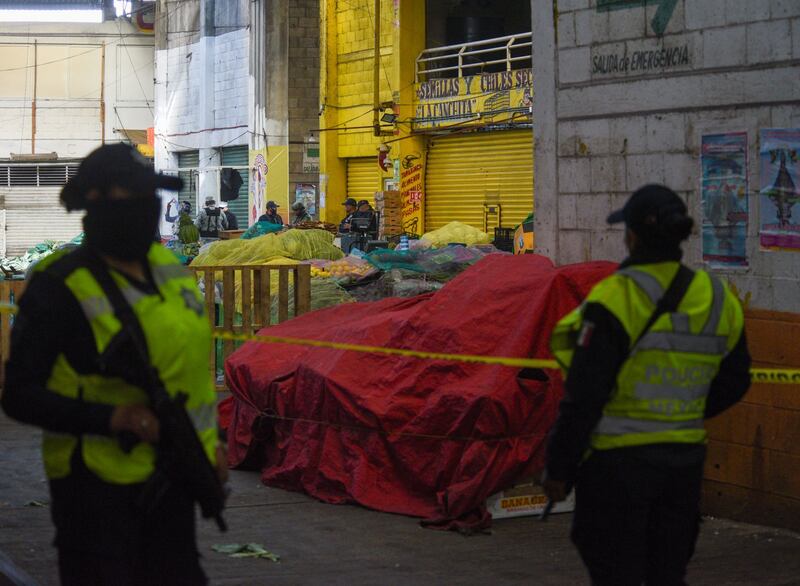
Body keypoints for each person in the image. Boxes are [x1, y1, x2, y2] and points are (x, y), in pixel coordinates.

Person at [1, 143, 226, 586]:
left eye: (148, 196)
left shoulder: (170, 269)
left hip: (176, 473)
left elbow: (189, 373)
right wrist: (112, 418)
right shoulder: (58, 287)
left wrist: (211, 444)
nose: (144, 208)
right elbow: (18, 396)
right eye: (132, 198)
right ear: (94, 205)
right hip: (96, 490)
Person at [543, 184, 751, 586]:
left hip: (617, 469)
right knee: (668, 572)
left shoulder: (615, 297)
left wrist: (559, 469)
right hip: (683, 466)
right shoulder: (717, 297)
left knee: (614, 572)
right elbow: (736, 378)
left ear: (633, 235)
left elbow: (584, 396)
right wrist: (687, 410)